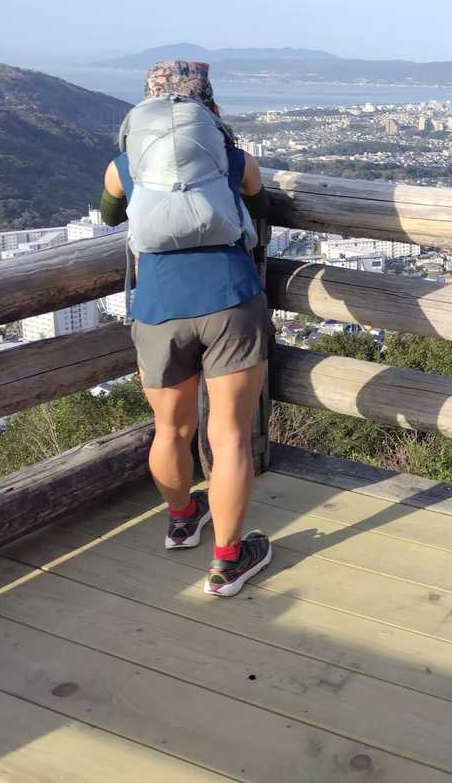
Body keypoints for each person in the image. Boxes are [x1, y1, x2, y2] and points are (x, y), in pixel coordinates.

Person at [99, 59, 274, 597]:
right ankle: (227, 561)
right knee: (229, 434)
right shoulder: (231, 158)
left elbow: (110, 215)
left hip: (159, 307)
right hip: (230, 298)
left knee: (170, 429)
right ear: (208, 106)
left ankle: (181, 521)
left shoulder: (124, 165)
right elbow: (259, 201)